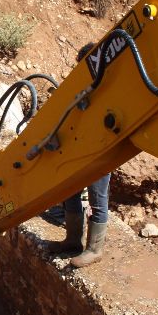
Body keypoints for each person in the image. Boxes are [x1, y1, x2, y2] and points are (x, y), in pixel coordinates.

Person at [46, 42, 111, 268]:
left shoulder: (110, 89)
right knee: (70, 193)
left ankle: (94, 249)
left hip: (100, 152)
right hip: (77, 150)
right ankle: (73, 240)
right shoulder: (83, 86)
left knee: (97, 199)